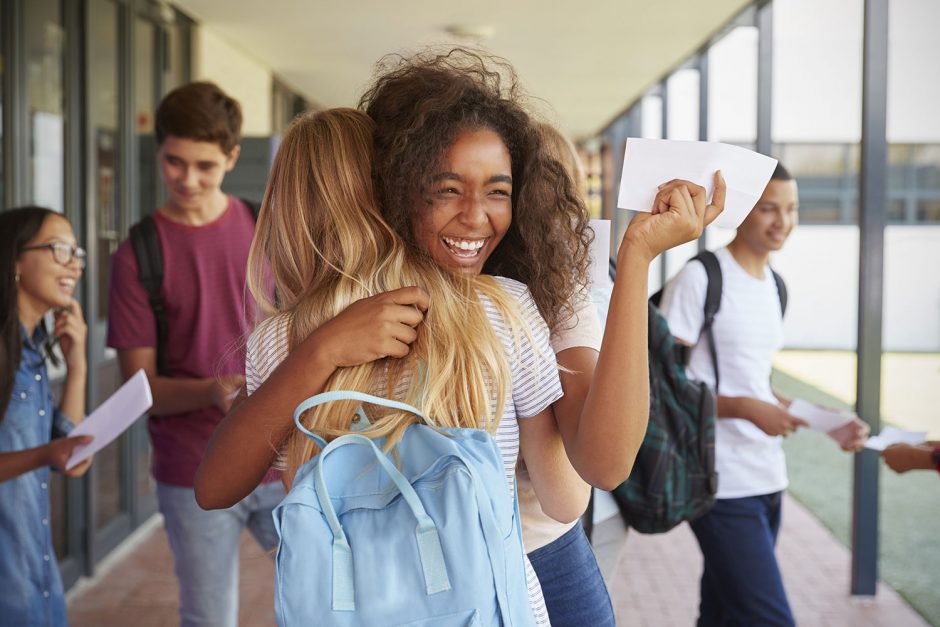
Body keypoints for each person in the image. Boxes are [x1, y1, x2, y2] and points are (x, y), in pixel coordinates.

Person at [359, 48, 723, 626]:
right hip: (395, 569)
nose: (475, 215)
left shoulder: (542, 298)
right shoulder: (362, 299)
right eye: (447, 187)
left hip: (538, 557)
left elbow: (601, 466)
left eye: (498, 189)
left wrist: (635, 259)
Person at [194, 108, 586, 624]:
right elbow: (565, 500)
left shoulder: (282, 342)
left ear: (284, 210)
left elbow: (213, 489)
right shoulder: (501, 308)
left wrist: (321, 352)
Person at [659, 163, 870, 626]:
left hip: (767, 478)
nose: (783, 222)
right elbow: (663, 387)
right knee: (768, 617)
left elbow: (756, 383)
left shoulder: (775, 288)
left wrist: (825, 420)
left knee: (722, 610)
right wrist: (743, 410)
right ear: (742, 210)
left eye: (792, 209)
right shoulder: (702, 277)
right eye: (769, 209)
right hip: (719, 481)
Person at [106, 82, 283, 627]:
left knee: (327, 602)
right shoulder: (140, 253)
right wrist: (211, 390)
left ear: (232, 157)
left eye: (204, 165)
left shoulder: (265, 231)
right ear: (158, 153)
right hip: (192, 471)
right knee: (208, 618)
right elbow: (140, 390)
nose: (187, 179)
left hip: (281, 458)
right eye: (174, 162)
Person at [0, 206, 92, 626]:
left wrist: (78, 368)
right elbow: (54, 453)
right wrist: (47, 454)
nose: (73, 263)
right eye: (58, 249)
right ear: (15, 259)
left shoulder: (34, 350)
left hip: (35, 567)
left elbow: (72, 459)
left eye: (76, 252)